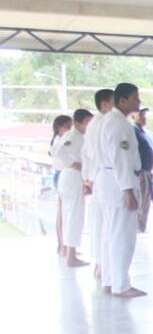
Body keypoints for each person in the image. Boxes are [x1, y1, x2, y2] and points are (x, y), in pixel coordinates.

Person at [95, 83, 145, 298]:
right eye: (135, 98)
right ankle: (121, 284)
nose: (138, 102)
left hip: (107, 180)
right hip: (118, 182)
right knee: (122, 235)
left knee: (110, 234)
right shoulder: (117, 124)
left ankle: (109, 279)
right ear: (122, 100)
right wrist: (127, 189)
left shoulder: (108, 120)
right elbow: (121, 158)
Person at [53, 109, 92, 268]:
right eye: (87, 123)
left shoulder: (78, 137)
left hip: (71, 177)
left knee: (71, 215)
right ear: (77, 123)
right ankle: (71, 255)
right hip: (72, 176)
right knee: (74, 215)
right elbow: (58, 151)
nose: (90, 126)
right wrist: (71, 163)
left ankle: (69, 250)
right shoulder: (73, 136)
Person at [83, 88, 114, 280]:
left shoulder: (96, 123)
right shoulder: (103, 122)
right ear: (104, 104)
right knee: (105, 223)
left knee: (101, 222)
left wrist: (88, 178)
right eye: (114, 101)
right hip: (103, 177)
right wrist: (89, 178)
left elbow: (87, 154)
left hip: (97, 177)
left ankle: (101, 264)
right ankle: (102, 264)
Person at [50, 114, 72, 256]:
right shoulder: (59, 141)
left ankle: (65, 245)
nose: (70, 129)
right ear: (59, 127)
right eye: (67, 127)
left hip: (64, 174)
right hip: (61, 174)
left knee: (66, 212)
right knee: (62, 212)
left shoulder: (62, 140)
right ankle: (62, 245)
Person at [131, 107, 153, 233]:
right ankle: (136, 230)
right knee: (139, 205)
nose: (143, 117)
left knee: (145, 204)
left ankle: (141, 229)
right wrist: (138, 171)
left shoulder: (143, 133)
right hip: (139, 173)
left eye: (144, 115)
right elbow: (133, 153)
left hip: (147, 173)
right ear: (133, 116)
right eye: (140, 114)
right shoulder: (132, 131)